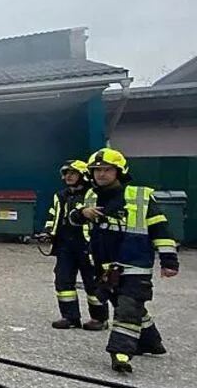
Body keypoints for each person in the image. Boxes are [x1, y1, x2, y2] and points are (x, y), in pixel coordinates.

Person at [67, 147, 179, 373]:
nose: (101, 174)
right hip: (105, 266)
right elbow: (73, 219)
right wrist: (82, 213)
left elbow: (160, 228)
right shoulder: (90, 196)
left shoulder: (140, 195)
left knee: (127, 308)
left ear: (119, 171)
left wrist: (169, 261)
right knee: (126, 305)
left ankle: (120, 353)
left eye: (107, 170)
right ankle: (151, 342)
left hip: (135, 263)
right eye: (97, 170)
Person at [36, 160, 108, 330]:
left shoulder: (93, 195)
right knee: (63, 281)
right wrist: (47, 232)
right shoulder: (61, 196)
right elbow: (54, 215)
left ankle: (99, 319)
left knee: (93, 283)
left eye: (73, 173)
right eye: (66, 173)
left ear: (83, 176)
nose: (68, 176)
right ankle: (70, 317)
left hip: (87, 245)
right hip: (65, 245)